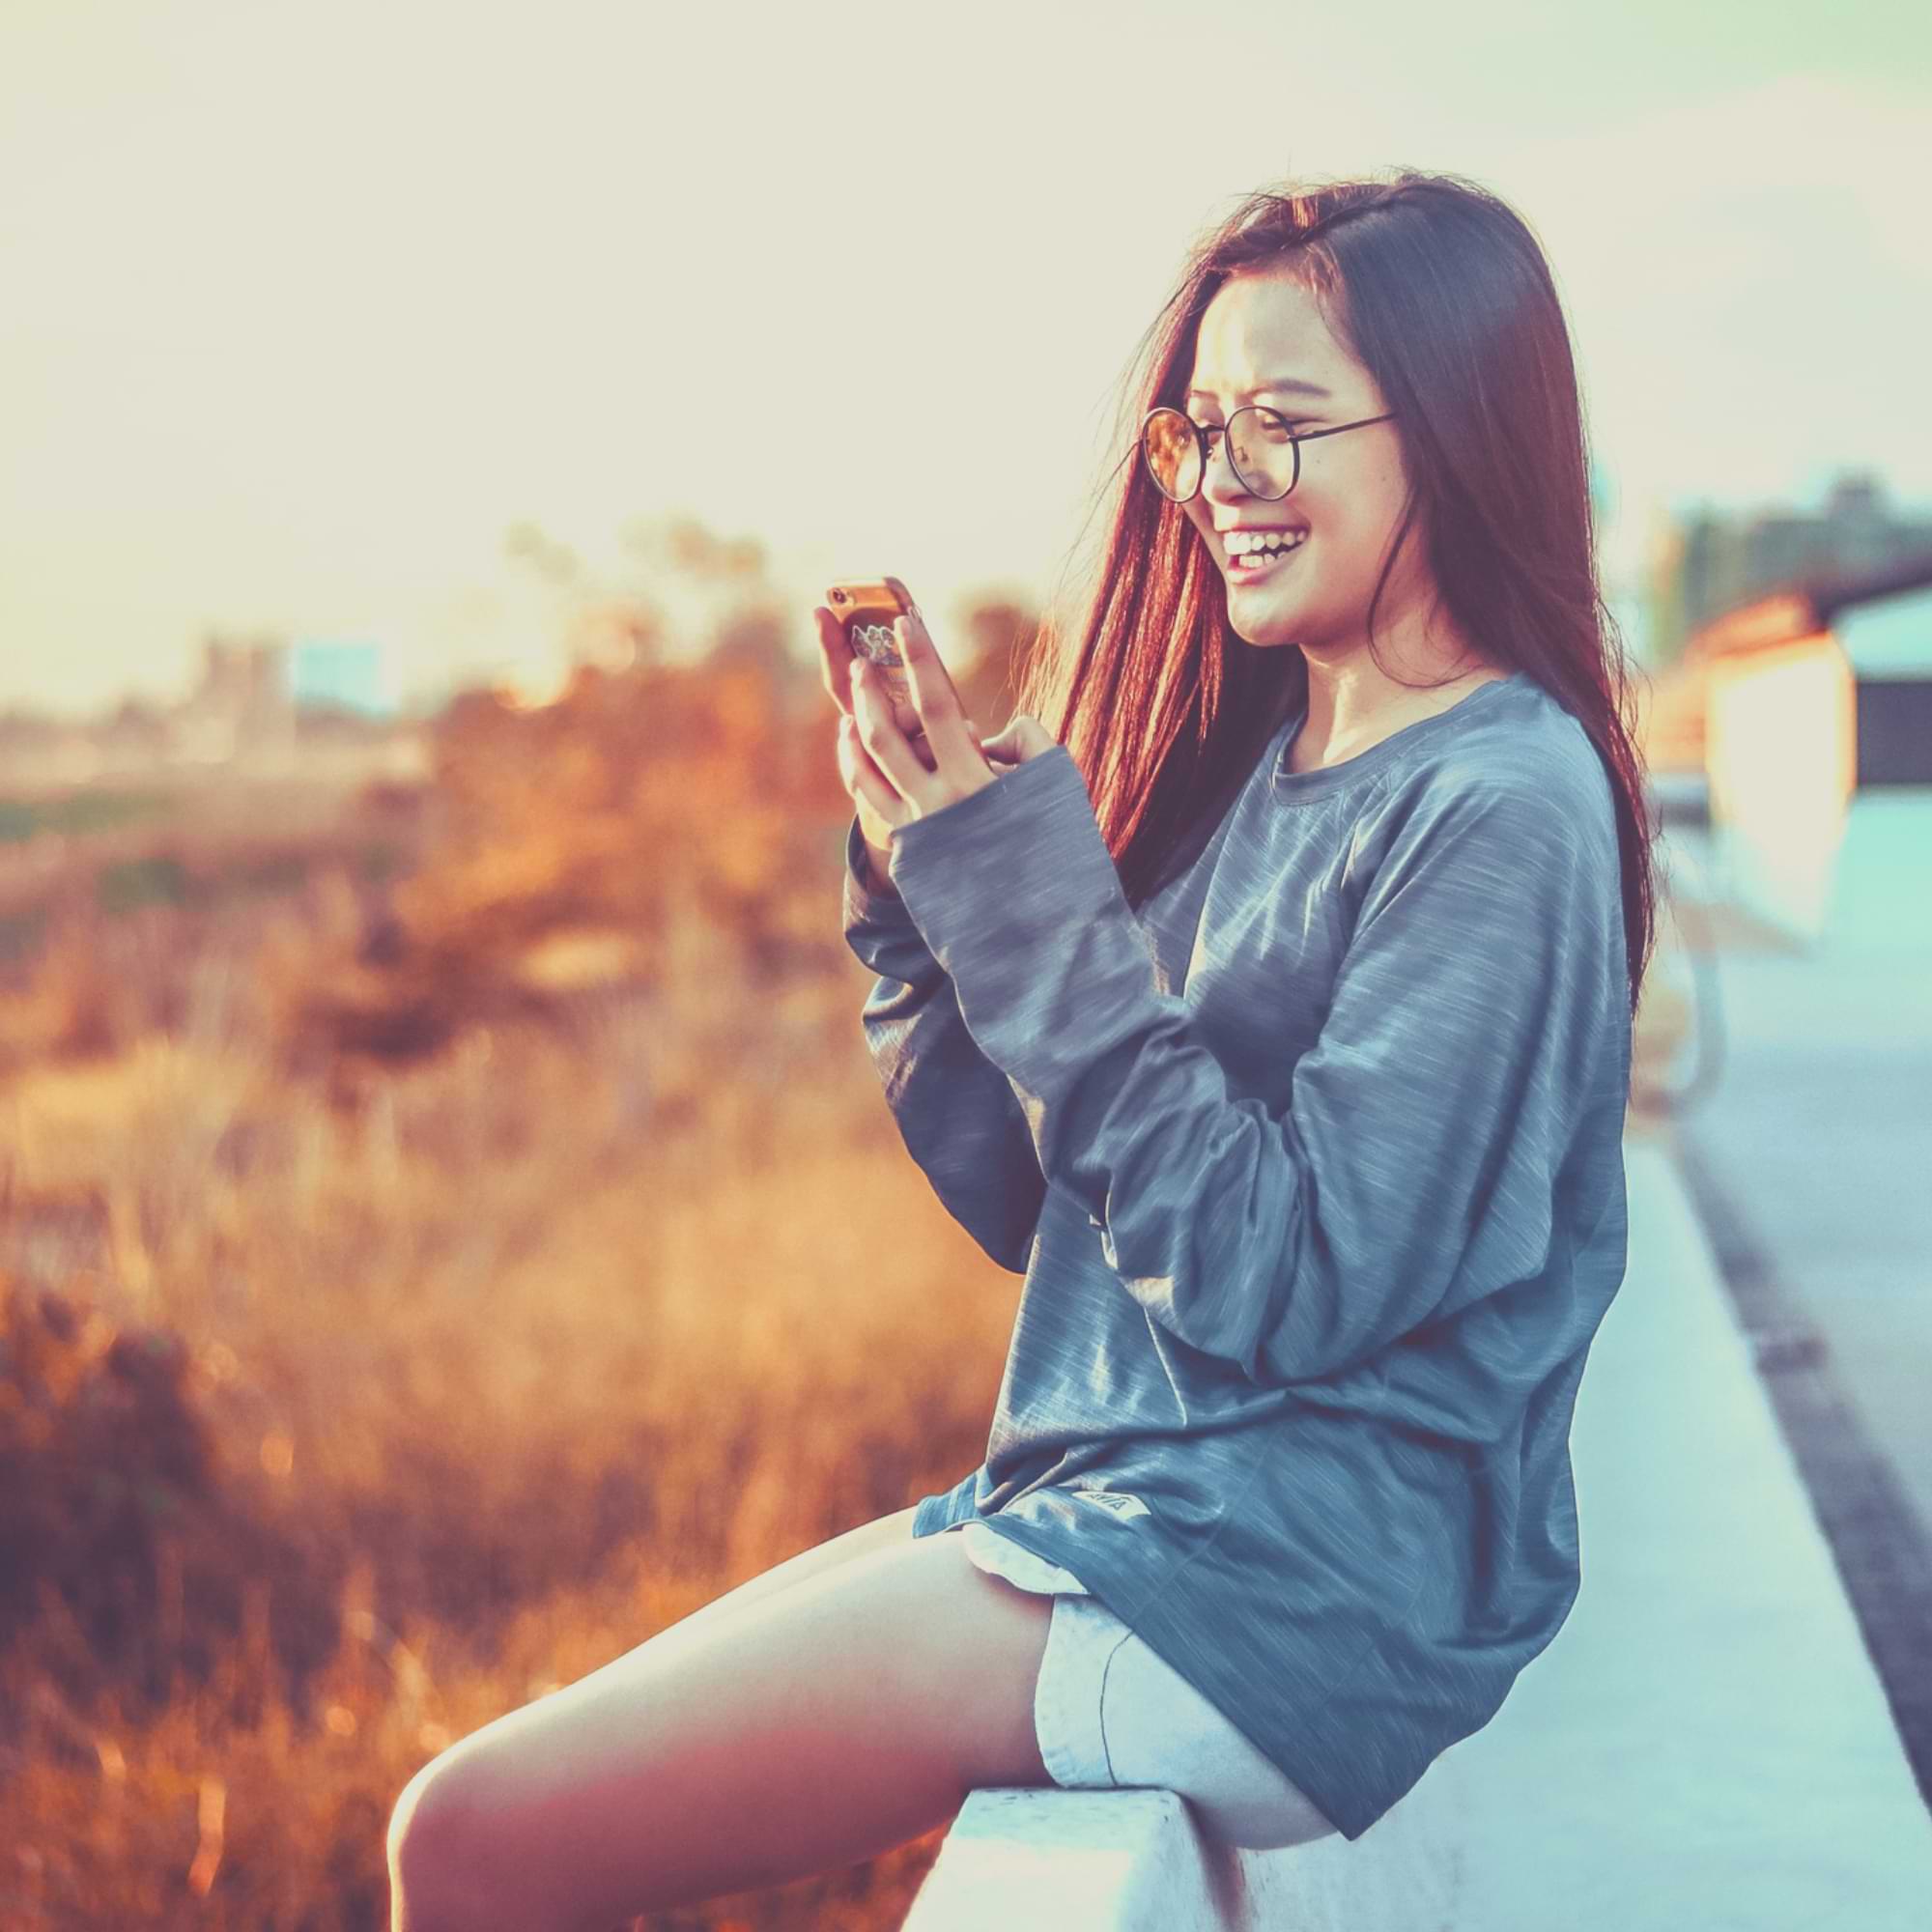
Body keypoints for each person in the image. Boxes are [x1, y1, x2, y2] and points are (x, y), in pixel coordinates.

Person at [385, 169, 1661, 1927]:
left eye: (1282, 426)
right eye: (1199, 432)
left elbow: (1282, 1283)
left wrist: (1030, 913)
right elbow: (1039, 1203)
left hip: (1276, 1577)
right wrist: (930, 880)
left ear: (1454, 429)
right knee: (475, 1812)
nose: (1220, 484)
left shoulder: (1500, 801)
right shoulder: (1263, 763)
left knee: (471, 1838)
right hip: (1133, 1498)